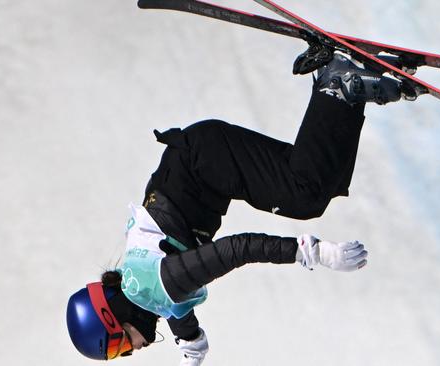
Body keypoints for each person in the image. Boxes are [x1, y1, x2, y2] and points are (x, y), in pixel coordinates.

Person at [66, 47, 417, 365]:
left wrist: (314, 253)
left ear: (114, 316)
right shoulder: (142, 284)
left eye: (119, 346)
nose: (133, 351)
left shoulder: (158, 285)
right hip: (202, 157)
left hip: (209, 161)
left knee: (304, 193)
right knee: (322, 187)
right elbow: (173, 298)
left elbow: (236, 250)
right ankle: (350, 95)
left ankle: (339, 84)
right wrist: (189, 338)